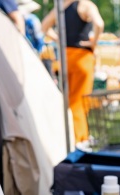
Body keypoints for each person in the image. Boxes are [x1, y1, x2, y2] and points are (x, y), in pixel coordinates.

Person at [41, 0, 104, 149]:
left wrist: (60, 39)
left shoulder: (61, 7)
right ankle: (79, 139)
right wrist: (93, 42)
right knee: (79, 100)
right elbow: (99, 24)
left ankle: (80, 135)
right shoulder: (86, 5)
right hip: (82, 57)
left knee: (70, 99)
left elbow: (44, 26)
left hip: (65, 57)